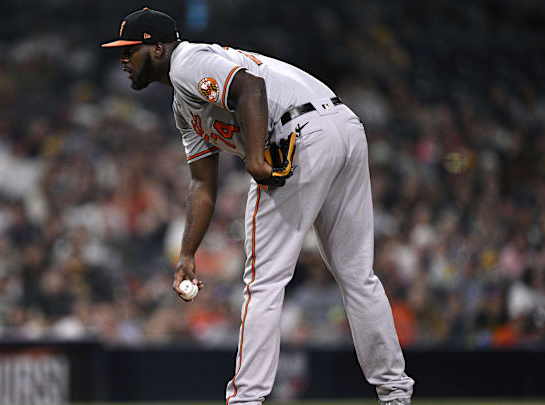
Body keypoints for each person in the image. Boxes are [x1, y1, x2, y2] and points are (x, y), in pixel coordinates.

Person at [102, 7, 414, 405]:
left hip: (297, 132)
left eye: (131, 51)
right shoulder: (184, 106)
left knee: (263, 281)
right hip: (342, 127)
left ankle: (246, 399)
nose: (124, 60)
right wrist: (187, 253)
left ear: (158, 48)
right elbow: (202, 184)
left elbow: (250, 88)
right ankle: (395, 393)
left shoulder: (187, 61)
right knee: (358, 276)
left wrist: (254, 158)